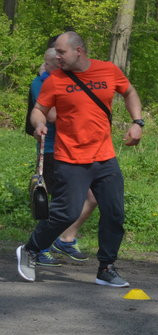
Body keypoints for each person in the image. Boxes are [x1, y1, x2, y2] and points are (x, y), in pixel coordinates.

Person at [16, 31, 144, 287]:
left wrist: (137, 122)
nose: (57, 56)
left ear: (79, 51)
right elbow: (38, 111)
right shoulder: (55, 80)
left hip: (105, 158)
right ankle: (30, 249)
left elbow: (129, 92)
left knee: (115, 213)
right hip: (70, 158)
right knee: (66, 213)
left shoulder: (108, 71)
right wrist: (39, 124)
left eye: (61, 52)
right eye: (56, 52)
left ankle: (106, 267)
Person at [28, 44, 98, 267]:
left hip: (75, 150)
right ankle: (41, 248)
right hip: (52, 150)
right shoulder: (41, 83)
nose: (61, 64)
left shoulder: (69, 80)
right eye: (55, 62)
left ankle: (66, 238)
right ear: (47, 63)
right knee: (58, 203)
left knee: (91, 197)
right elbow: (53, 114)